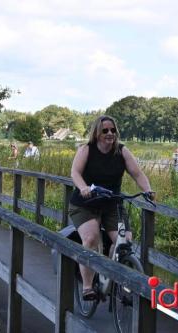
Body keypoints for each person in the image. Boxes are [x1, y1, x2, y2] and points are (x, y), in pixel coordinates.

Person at [69, 115, 154, 301]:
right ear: (97, 133)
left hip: (111, 203)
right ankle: (88, 286)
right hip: (85, 204)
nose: (110, 134)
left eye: (113, 130)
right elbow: (75, 172)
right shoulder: (87, 150)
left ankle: (108, 274)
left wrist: (147, 190)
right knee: (90, 238)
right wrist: (83, 187)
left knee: (124, 241)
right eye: (105, 130)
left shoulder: (122, 151)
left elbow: (137, 174)